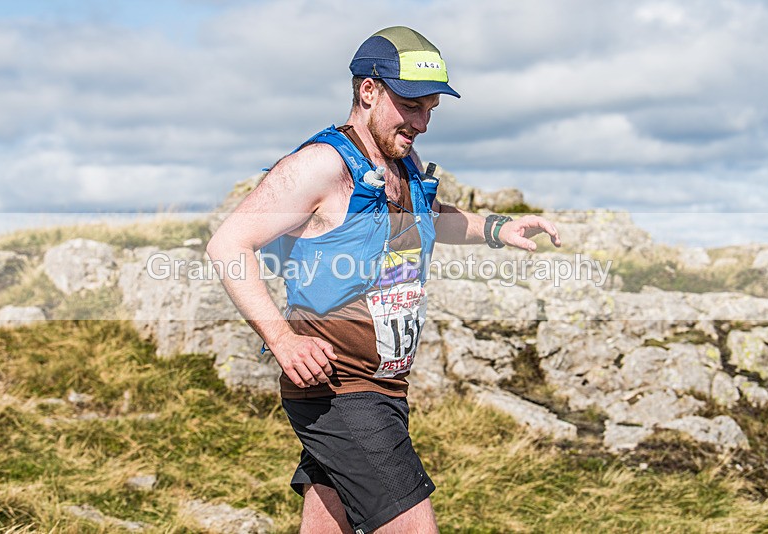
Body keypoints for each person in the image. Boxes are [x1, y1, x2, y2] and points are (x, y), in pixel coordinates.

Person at [207, 26, 561, 534]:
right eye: (411, 105)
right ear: (368, 89)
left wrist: (499, 228)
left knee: (327, 524)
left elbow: (428, 217)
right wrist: (281, 338)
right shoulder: (320, 166)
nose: (421, 122)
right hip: (341, 388)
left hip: (386, 387)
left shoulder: (404, 163)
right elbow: (228, 245)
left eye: (430, 110)